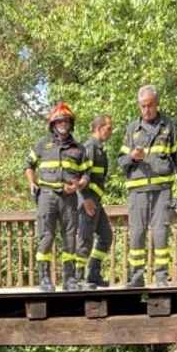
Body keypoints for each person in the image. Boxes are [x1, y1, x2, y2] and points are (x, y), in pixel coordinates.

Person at [118, 85, 177, 287]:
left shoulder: (168, 126)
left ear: (157, 103)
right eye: (142, 106)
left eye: (150, 105)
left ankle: (161, 277)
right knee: (137, 234)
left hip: (162, 192)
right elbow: (120, 162)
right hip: (137, 193)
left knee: (161, 233)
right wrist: (132, 158)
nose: (146, 110)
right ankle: (136, 277)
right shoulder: (132, 129)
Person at [25, 102, 90, 292]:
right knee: (46, 236)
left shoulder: (79, 149)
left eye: (66, 121)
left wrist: (79, 185)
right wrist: (32, 181)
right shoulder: (42, 145)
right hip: (47, 196)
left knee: (70, 237)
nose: (63, 123)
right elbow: (28, 165)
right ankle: (44, 277)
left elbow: (86, 175)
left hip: (69, 198)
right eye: (59, 120)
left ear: (71, 123)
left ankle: (69, 279)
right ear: (53, 124)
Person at [76, 115, 114, 289]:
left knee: (106, 236)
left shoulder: (99, 148)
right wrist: (85, 199)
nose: (111, 132)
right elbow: (80, 175)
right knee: (85, 239)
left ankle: (93, 273)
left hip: (97, 201)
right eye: (108, 128)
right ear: (98, 129)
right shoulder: (89, 147)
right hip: (88, 201)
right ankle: (77, 278)